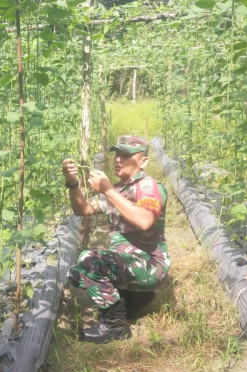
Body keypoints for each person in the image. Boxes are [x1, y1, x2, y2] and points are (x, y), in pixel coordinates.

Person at [61, 135, 169, 344]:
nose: (118, 160)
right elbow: (83, 209)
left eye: (126, 155)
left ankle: (115, 325)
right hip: (128, 264)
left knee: (89, 261)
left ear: (143, 162)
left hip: (149, 264)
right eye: (117, 154)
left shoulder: (147, 186)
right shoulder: (120, 189)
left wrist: (108, 190)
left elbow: (145, 220)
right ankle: (134, 300)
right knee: (76, 273)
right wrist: (73, 183)